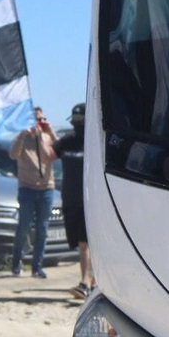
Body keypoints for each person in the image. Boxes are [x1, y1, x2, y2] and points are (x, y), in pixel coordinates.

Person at [10, 106, 58, 279]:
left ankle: (37, 267)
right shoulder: (23, 137)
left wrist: (49, 131)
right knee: (24, 227)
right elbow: (13, 154)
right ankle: (16, 262)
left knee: (42, 229)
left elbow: (58, 151)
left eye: (42, 119)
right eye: (37, 119)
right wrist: (24, 134)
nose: (40, 123)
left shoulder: (47, 136)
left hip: (46, 188)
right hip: (27, 188)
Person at [57, 103, 93, 299]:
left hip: (90, 201)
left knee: (85, 243)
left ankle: (86, 282)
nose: (77, 125)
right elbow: (46, 157)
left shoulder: (96, 143)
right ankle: (92, 282)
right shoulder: (66, 142)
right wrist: (41, 133)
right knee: (82, 243)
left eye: (81, 122)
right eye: (75, 122)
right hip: (70, 199)